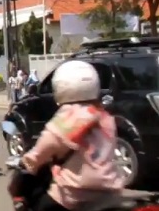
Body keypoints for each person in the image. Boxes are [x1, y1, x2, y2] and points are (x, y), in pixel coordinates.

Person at [19, 60, 122, 211]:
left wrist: (28, 161)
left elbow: (45, 147)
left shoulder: (68, 118)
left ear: (61, 87)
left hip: (75, 195)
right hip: (110, 192)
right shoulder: (104, 116)